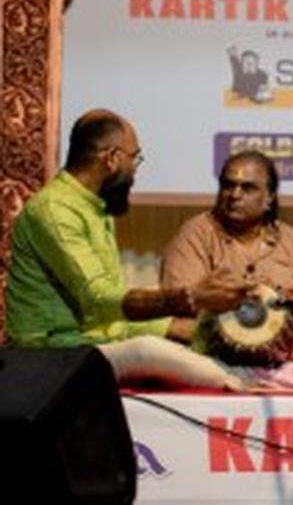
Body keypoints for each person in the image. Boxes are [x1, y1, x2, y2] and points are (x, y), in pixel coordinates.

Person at [5, 109, 250, 386]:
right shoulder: (54, 209)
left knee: (190, 340)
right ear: (111, 159)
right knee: (147, 351)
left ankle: (243, 380)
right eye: (135, 159)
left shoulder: (98, 208)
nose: (135, 170)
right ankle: (242, 390)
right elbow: (99, 300)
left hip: (86, 344)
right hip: (45, 356)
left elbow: (109, 320)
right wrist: (190, 297)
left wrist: (175, 328)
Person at [161, 150, 293, 385]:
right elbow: (180, 309)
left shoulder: (292, 242)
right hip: (221, 363)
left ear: (270, 197)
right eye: (228, 186)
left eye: (247, 188)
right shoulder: (195, 235)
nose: (234, 195)